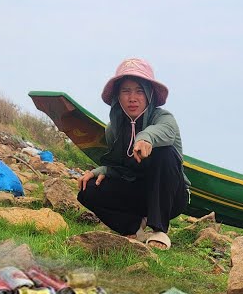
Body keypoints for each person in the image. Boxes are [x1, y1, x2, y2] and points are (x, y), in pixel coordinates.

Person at [77, 58, 189, 249]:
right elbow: (120, 166)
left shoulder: (164, 118)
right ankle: (135, 229)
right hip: (137, 191)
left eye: (139, 91)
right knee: (87, 190)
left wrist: (145, 139)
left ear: (149, 95)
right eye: (125, 91)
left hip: (170, 195)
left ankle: (159, 230)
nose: (132, 98)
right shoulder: (113, 129)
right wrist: (100, 171)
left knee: (165, 153)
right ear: (117, 96)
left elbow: (163, 132)